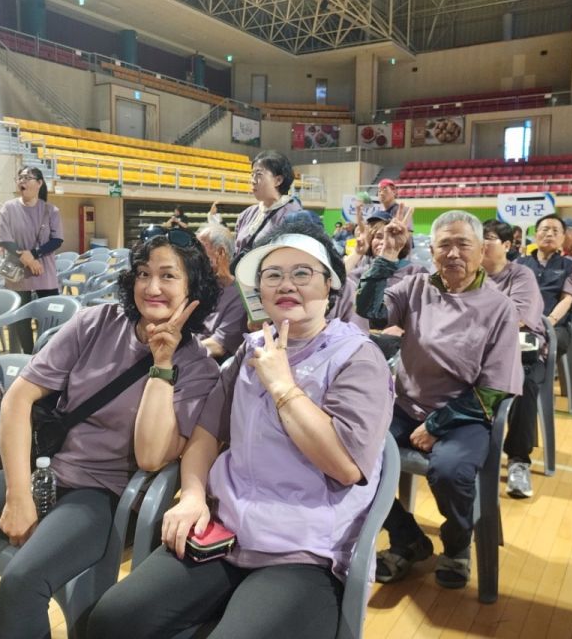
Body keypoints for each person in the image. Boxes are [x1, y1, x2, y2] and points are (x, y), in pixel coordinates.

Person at [0, 228, 222, 639]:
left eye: (168, 276)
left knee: (22, 581)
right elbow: (18, 400)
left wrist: (162, 363)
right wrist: (18, 495)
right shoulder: (96, 322)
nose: (151, 287)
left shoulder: (198, 370)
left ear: (194, 288)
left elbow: (151, 457)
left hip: (100, 496)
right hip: (43, 472)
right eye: (142, 273)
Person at [87, 217, 393, 639]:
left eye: (302, 273)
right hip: (226, 533)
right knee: (113, 619)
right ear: (259, 291)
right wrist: (193, 494)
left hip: (304, 551)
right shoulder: (253, 350)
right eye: (273, 275)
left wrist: (283, 387)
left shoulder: (358, 358)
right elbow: (206, 432)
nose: (287, 285)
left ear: (330, 285)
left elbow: (343, 465)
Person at [356, 210, 523, 589]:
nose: (453, 253)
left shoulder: (499, 307)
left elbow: (494, 389)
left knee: (450, 471)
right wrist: (385, 258)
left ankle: (457, 546)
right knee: (349, 454)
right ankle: (407, 538)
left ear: (481, 251)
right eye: (444, 244)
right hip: (405, 405)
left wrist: (436, 425)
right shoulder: (417, 286)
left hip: (465, 415)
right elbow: (371, 312)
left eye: (463, 244)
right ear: (431, 251)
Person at [482, 220, 546, 499]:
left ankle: (519, 461)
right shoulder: (466, 274)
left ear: (507, 246)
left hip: (520, 351)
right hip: (479, 349)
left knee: (525, 383)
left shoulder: (521, 276)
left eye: (489, 238)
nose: (481, 243)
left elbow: (517, 320)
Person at [0, 167, 63, 352]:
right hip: (17, 273)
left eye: (27, 177)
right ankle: (28, 357)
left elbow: (57, 240)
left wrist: (34, 255)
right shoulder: (8, 208)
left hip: (44, 272)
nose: (22, 181)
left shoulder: (51, 210)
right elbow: (4, 239)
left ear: (40, 183)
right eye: (19, 178)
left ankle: (48, 355)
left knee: (50, 317)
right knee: (20, 320)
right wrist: (27, 259)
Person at [515, 214, 572, 359]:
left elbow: (566, 300)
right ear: (536, 235)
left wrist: (547, 323)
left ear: (562, 237)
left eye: (555, 231)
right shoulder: (518, 264)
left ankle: (536, 379)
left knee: (534, 350)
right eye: (545, 229)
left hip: (553, 325)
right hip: (519, 322)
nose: (549, 234)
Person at [233, 150, 301, 261]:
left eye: (259, 174)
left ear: (278, 180)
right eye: (252, 174)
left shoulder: (294, 216)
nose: (253, 181)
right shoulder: (246, 214)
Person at [195, 223, 247, 360]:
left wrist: (176, 352)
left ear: (221, 253)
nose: (193, 257)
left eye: (199, 251)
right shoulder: (195, 284)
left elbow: (218, 345)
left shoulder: (240, 295)